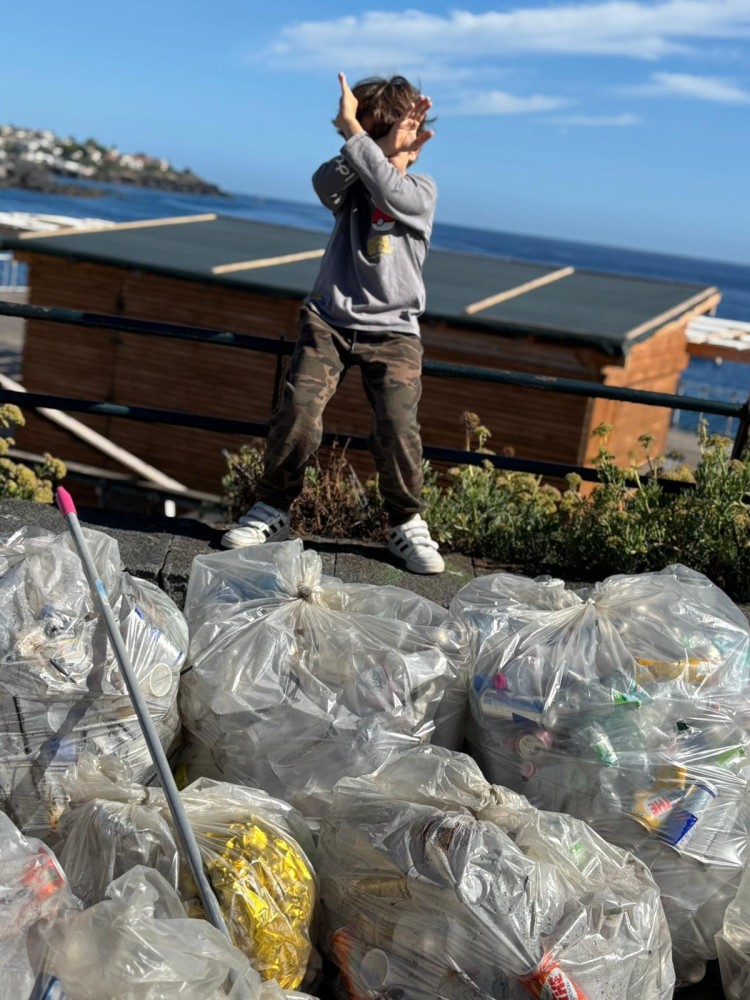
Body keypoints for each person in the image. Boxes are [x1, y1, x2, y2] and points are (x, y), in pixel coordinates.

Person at [221, 71, 444, 574]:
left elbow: (395, 197)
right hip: (330, 319)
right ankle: (274, 507)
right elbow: (324, 183)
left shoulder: (423, 190)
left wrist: (363, 136)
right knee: (298, 410)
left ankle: (405, 521)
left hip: (395, 331)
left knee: (397, 425)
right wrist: (367, 142)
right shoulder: (349, 183)